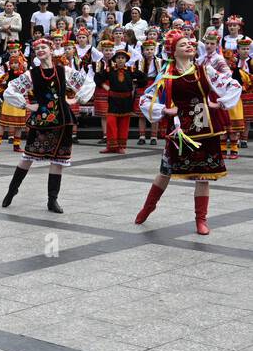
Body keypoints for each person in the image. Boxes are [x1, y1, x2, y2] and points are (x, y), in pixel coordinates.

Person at [135, 30, 242, 235]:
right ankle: (148, 207)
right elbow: (146, 99)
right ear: (173, 51)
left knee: (204, 175)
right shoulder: (166, 75)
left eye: (190, 43)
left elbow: (231, 85)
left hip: (205, 130)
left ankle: (201, 219)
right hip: (180, 132)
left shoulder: (205, 70)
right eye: (183, 44)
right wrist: (165, 110)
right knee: (165, 172)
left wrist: (219, 102)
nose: (189, 46)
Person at [0, 37, 95, 213]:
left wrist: (76, 99)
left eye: (44, 47)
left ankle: (52, 200)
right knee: (27, 156)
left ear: (51, 50)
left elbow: (88, 82)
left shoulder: (63, 70)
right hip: (42, 120)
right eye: (37, 48)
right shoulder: (31, 74)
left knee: (58, 159)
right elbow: (10, 90)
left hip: (63, 119)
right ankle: (12, 190)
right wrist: (26, 105)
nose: (40, 50)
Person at [95, 49, 136, 154]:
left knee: (124, 124)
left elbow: (143, 79)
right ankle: (111, 146)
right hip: (113, 100)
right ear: (115, 60)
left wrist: (134, 85)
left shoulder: (131, 70)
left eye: (123, 58)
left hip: (126, 101)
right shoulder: (110, 70)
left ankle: (121, 146)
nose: (120, 60)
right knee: (111, 123)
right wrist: (105, 86)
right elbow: (97, 77)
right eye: (118, 58)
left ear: (126, 59)